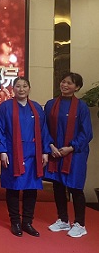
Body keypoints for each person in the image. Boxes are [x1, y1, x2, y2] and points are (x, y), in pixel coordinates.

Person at [0, 77, 51, 237]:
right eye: (18, 86)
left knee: (31, 188)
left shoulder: (37, 108)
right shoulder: (5, 107)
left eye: (25, 86)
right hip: (12, 152)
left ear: (29, 88)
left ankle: (27, 222)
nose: (21, 89)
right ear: (13, 89)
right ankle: (15, 222)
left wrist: (45, 151)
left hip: (33, 153)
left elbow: (44, 130)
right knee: (13, 187)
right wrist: (2, 151)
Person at [44, 72, 93, 238]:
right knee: (58, 186)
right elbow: (44, 128)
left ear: (77, 87)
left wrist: (71, 148)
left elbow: (86, 133)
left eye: (69, 83)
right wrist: (50, 145)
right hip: (56, 152)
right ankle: (63, 220)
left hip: (75, 154)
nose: (64, 85)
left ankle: (80, 224)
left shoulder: (82, 107)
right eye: (63, 82)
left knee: (75, 188)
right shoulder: (50, 104)